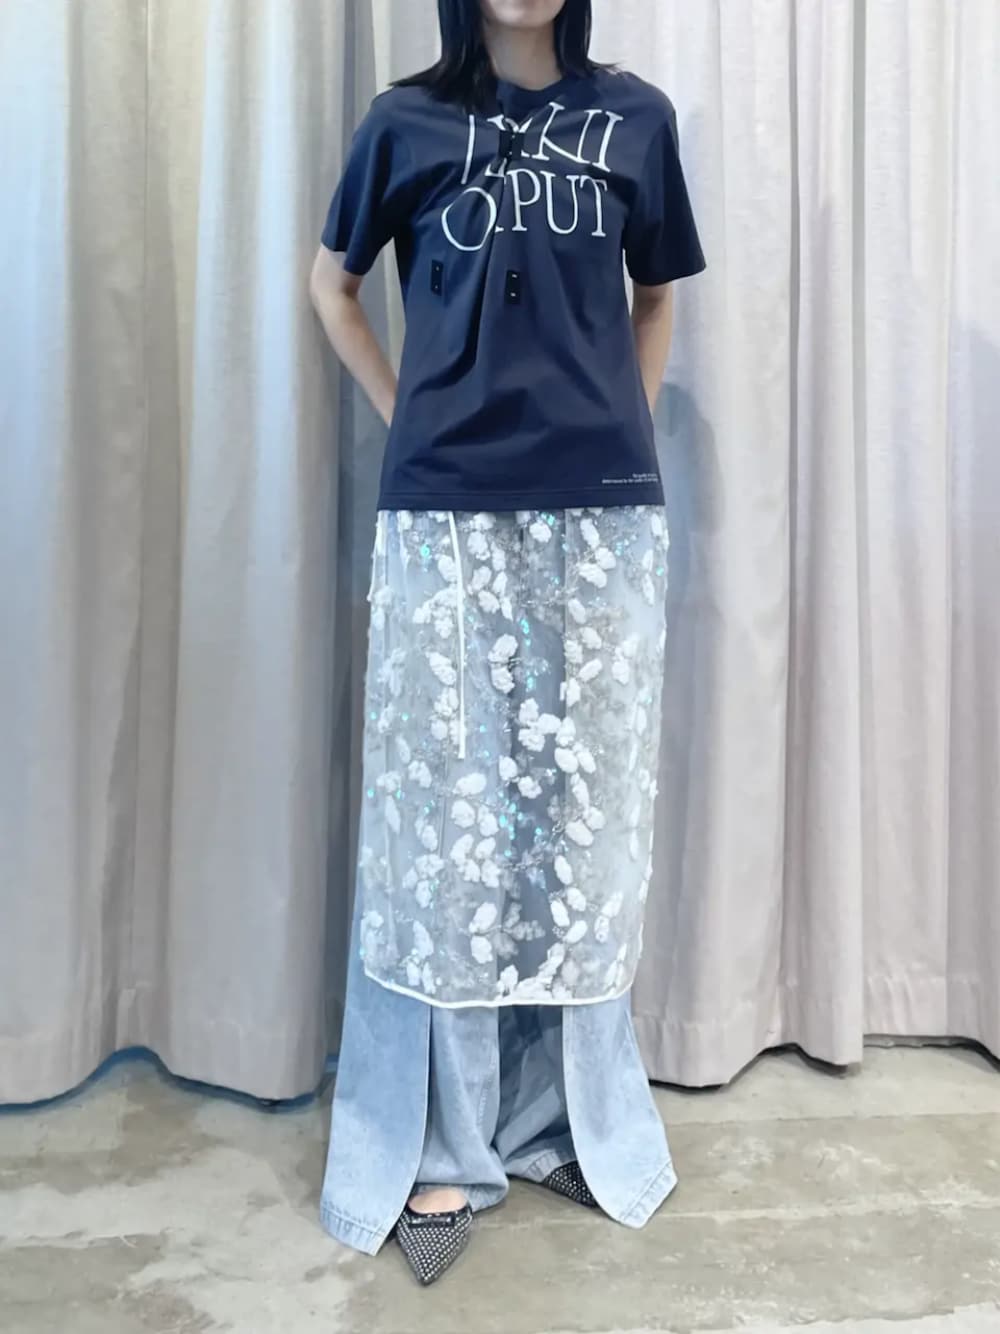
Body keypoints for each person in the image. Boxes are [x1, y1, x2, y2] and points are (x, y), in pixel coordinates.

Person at [308, 0, 705, 1287]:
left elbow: (655, 297)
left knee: (576, 830)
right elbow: (332, 286)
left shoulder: (635, 119)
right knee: (448, 830)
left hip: (601, 523)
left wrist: (622, 431)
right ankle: (445, 1141)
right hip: (444, 517)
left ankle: (566, 1115)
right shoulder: (404, 122)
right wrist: (408, 417)